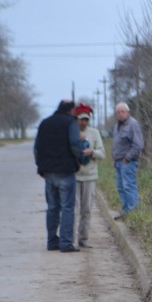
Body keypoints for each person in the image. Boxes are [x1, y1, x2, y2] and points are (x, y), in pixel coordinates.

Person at [34, 100, 83, 252]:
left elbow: (37, 148)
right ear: (71, 110)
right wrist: (80, 159)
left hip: (49, 172)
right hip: (65, 171)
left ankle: (52, 241)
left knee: (52, 207)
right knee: (67, 207)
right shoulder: (71, 122)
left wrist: (41, 166)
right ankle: (66, 243)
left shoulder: (45, 123)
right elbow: (75, 144)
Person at [73, 103, 104, 248]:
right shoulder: (72, 132)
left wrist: (92, 152)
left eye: (86, 119)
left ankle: (83, 238)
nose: (83, 122)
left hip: (90, 176)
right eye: (81, 119)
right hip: (74, 175)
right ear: (77, 119)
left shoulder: (94, 133)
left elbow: (102, 153)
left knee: (86, 210)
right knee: (73, 209)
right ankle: (72, 239)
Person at [111, 102, 145, 219]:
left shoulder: (133, 124)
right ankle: (125, 210)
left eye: (122, 112)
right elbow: (116, 144)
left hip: (128, 162)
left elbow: (138, 145)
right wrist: (114, 159)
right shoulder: (117, 126)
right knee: (121, 187)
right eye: (118, 112)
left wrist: (128, 157)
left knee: (129, 186)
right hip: (118, 162)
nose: (120, 114)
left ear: (128, 112)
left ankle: (133, 212)